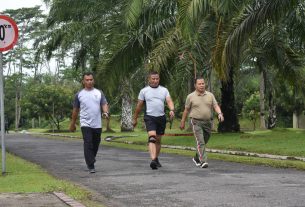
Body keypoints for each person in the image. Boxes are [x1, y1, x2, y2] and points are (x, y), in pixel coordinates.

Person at [133, 71, 175, 170]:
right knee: (152, 138)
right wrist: (135, 118)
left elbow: (169, 101)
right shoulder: (144, 91)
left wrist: (172, 110)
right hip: (149, 117)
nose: (155, 81)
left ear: (159, 79)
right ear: (149, 79)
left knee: (158, 140)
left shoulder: (164, 90)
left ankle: (156, 158)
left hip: (161, 117)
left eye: (157, 79)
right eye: (153, 79)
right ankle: (153, 160)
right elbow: (139, 106)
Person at [69, 72, 109, 173]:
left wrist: (105, 112)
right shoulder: (79, 94)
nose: (89, 81)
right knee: (88, 142)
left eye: (91, 80)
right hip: (85, 123)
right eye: (87, 80)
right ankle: (90, 165)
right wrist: (72, 123)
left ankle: (91, 158)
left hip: (97, 123)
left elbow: (104, 104)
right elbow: (75, 110)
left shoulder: (99, 93)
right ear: (83, 81)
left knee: (96, 143)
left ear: (93, 81)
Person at [180, 77, 224, 168]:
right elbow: (186, 110)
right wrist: (183, 122)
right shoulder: (190, 96)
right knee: (200, 141)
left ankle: (196, 157)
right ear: (195, 85)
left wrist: (219, 113)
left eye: (203, 83)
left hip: (208, 122)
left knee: (205, 140)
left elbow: (215, 106)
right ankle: (203, 161)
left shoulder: (210, 95)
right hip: (196, 122)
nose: (201, 85)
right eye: (199, 84)